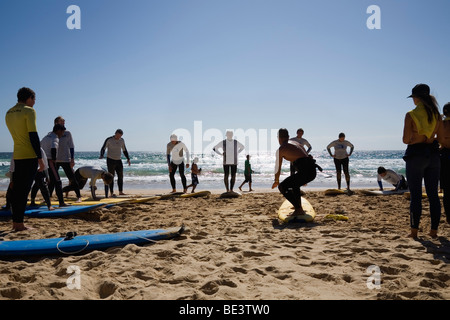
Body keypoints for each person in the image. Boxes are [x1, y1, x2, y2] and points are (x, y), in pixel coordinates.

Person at [403, 84, 441, 239]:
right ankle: (433, 231)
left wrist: (414, 136)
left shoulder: (411, 114)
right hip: (433, 154)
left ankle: (414, 232)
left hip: (416, 155)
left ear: (416, 98)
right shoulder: (436, 114)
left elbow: (406, 139)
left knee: (416, 195)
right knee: (433, 195)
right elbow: (438, 135)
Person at [5, 87, 45, 231]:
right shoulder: (29, 111)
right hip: (29, 155)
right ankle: (19, 225)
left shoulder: (8, 113)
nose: (34, 102)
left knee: (17, 191)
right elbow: (33, 136)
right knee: (23, 191)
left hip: (17, 155)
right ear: (29, 98)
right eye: (34, 99)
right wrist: (40, 159)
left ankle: (16, 223)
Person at [272, 128, 321, 216]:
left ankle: (298, 209)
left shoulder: (281, 149)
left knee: (282, 187)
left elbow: (277, 167)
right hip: (312, 170)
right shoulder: (296, 143)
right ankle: (298, 206)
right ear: (288, 137)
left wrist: (276, 181)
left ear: (278, 138)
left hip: (305, 171)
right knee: (295, 184)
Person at [51, 116, 82, 201]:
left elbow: (71, 146)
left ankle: (79, 196)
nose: (64, 123)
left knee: (72, 178)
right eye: (62, 121)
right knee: (52, 179)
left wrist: (72, 159)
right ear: (56, 123)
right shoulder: (52, 134)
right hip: (55, 160)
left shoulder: (67, 133)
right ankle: (49, 196)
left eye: (64, 122)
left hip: (65, 159)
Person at [41, 124, 70, 207]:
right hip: (50, 161)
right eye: (62, 132)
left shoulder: (45, 137)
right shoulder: (55, 138)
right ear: (58, 131)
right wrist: (54, 160)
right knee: (58, 181)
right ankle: (61, 203)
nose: (62, 134)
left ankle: (34, 200)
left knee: (44, 182)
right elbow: (53, 148)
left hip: (43, 161)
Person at [99, 129, 131, 197]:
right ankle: (111, 192)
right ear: (115, 133)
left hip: (118, 160)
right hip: (110, 160)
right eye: (118, 136)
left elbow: (124, 150)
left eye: (120, 136)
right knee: (111, 176)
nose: (119, 137)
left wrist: (128, 158)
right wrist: (102, 155)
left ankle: (120, 191)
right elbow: (103, 148)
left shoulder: (122, 140)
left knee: (120, 176)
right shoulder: (109, 139)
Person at [437, 102, 450, 224]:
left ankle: (449, 216)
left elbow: (438, 138)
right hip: (445, 155)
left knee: (446, 190)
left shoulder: (442, 124)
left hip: (445, 155)